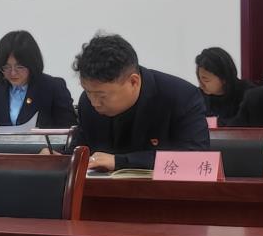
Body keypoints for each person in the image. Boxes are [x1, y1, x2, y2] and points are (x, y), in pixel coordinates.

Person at [72, 33, 210, 171]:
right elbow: (78, 154)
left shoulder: (181, 97)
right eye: (88, 92)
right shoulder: (87, 103)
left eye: (102, 96)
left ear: (133, 82)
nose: (94, 103)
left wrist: (120, 161)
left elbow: (195, 159)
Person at [0, 30, 78, 128]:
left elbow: (68, 129)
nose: (13, 73)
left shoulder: (52, 88)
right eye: (6, 67)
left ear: (32, 64)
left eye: (20, 67)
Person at [194, 47, 250, 122]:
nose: (201, 85)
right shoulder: (197, 97)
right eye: (199, 79)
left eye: (206, 80)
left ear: (224, 77)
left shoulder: (249, 95)